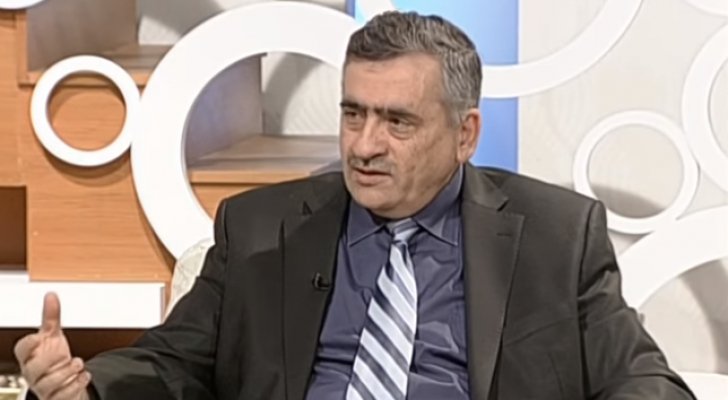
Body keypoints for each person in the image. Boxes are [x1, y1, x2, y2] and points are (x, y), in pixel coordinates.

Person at [14, 11, 694, 400]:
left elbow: (643, 381)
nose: (365, 145)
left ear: (465, 134)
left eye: (398, 121)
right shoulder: (261, 230)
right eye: (352, 113)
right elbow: (173, 361)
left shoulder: (556, 237)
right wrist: (86, 385)